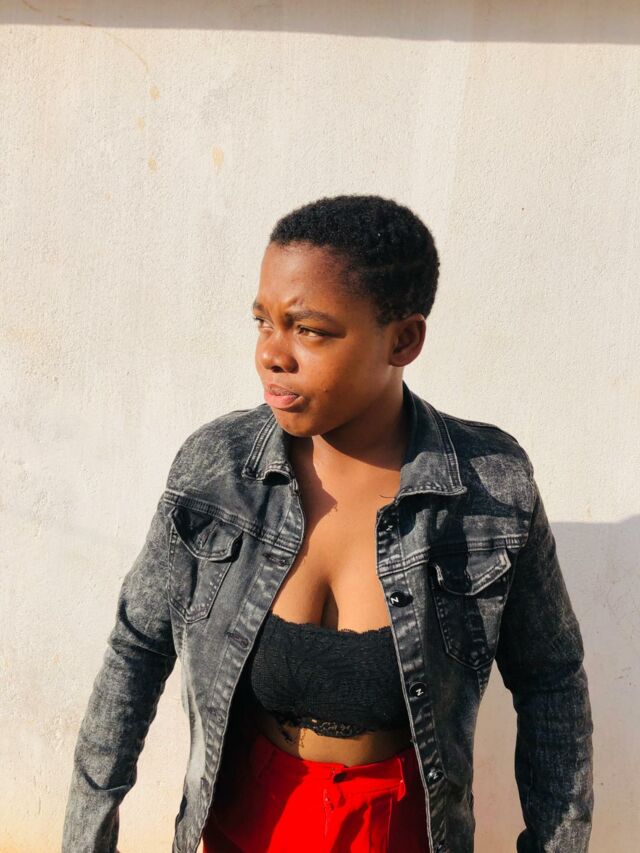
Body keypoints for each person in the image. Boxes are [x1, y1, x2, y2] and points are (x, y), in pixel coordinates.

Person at [62, 194, 594, 853]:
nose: (272, 354)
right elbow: (136, 650)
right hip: (243, 824)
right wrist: (87, 839)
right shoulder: (217, 469)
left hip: (396, 829)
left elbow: (551, 680)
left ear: (403, 339)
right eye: (263, 322)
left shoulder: (488, 487)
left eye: (309, 330)